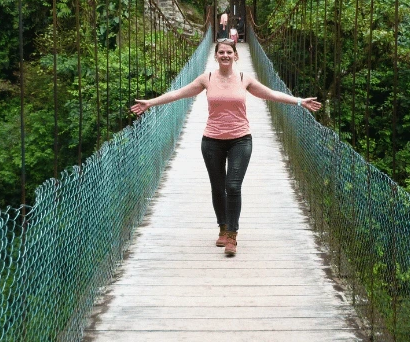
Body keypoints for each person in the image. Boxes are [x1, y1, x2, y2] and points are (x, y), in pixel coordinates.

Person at [130, 40, 322, 256]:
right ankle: (222, 227)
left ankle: (232, 234)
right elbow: (178, 93)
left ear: (235, 55)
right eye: (221, 52)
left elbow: (271, 94)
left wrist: (299, 101)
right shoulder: (207, 78)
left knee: (232, 186)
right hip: (212, 140)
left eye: (229, 52)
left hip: (240, 139)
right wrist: (150, 102)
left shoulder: (243, 79)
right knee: (217, 186)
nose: (225, 55)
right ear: (216, 55)